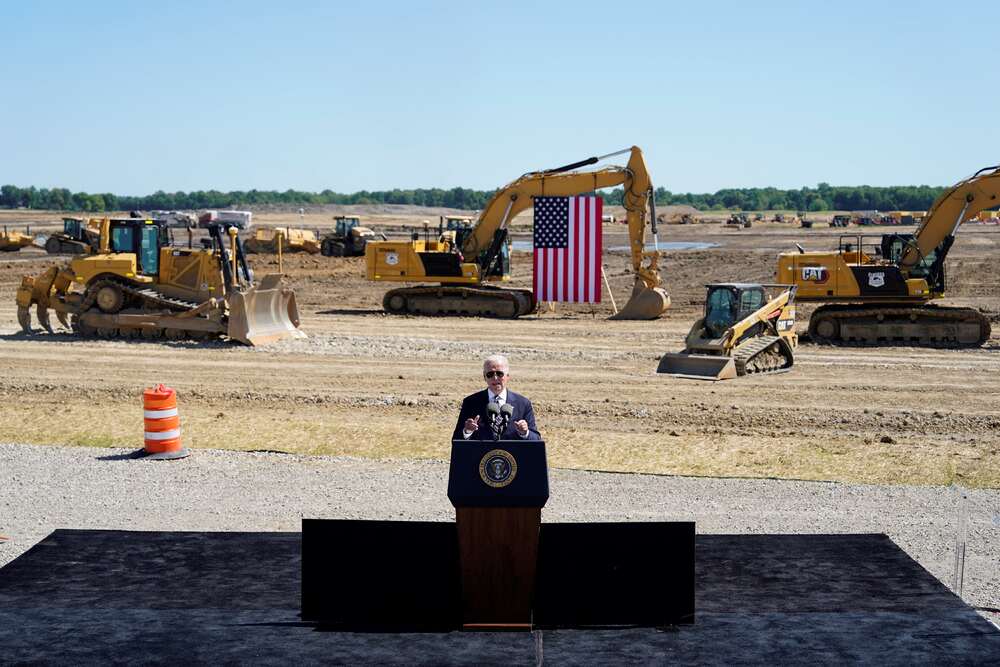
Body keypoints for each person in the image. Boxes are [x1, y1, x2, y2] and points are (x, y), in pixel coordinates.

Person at [452, 354, 541, 441]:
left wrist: (525, 433)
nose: (495, 378)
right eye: (490, 374)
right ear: (484, 377)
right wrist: (467, 431)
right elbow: (456, 440)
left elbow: (536, 440)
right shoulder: (471, 402)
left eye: (499, 374)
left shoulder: (523, 404)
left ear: (507, 376)